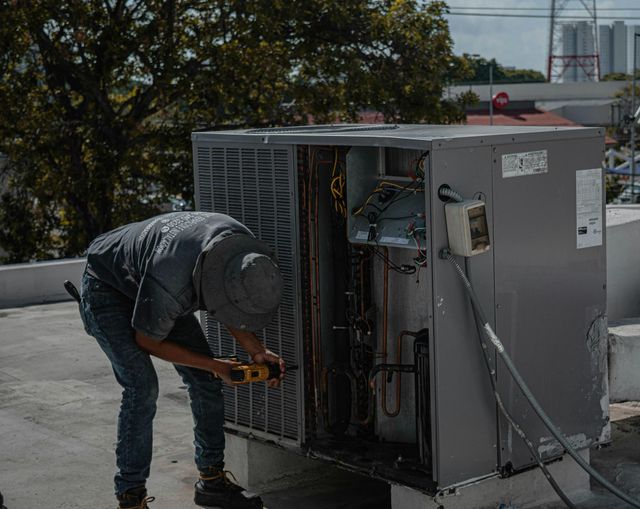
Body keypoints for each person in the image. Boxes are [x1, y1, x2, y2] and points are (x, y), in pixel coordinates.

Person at [79, 211, 285, 509]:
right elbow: (148, 341)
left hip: (153, 276)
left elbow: (228, 300)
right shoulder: (171, 283)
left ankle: (211, 482)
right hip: (106, 286)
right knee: (142, 386)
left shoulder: (240, 248)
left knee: (205, 382)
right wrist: (216, 366)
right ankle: (130, 497)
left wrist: (256, 351)